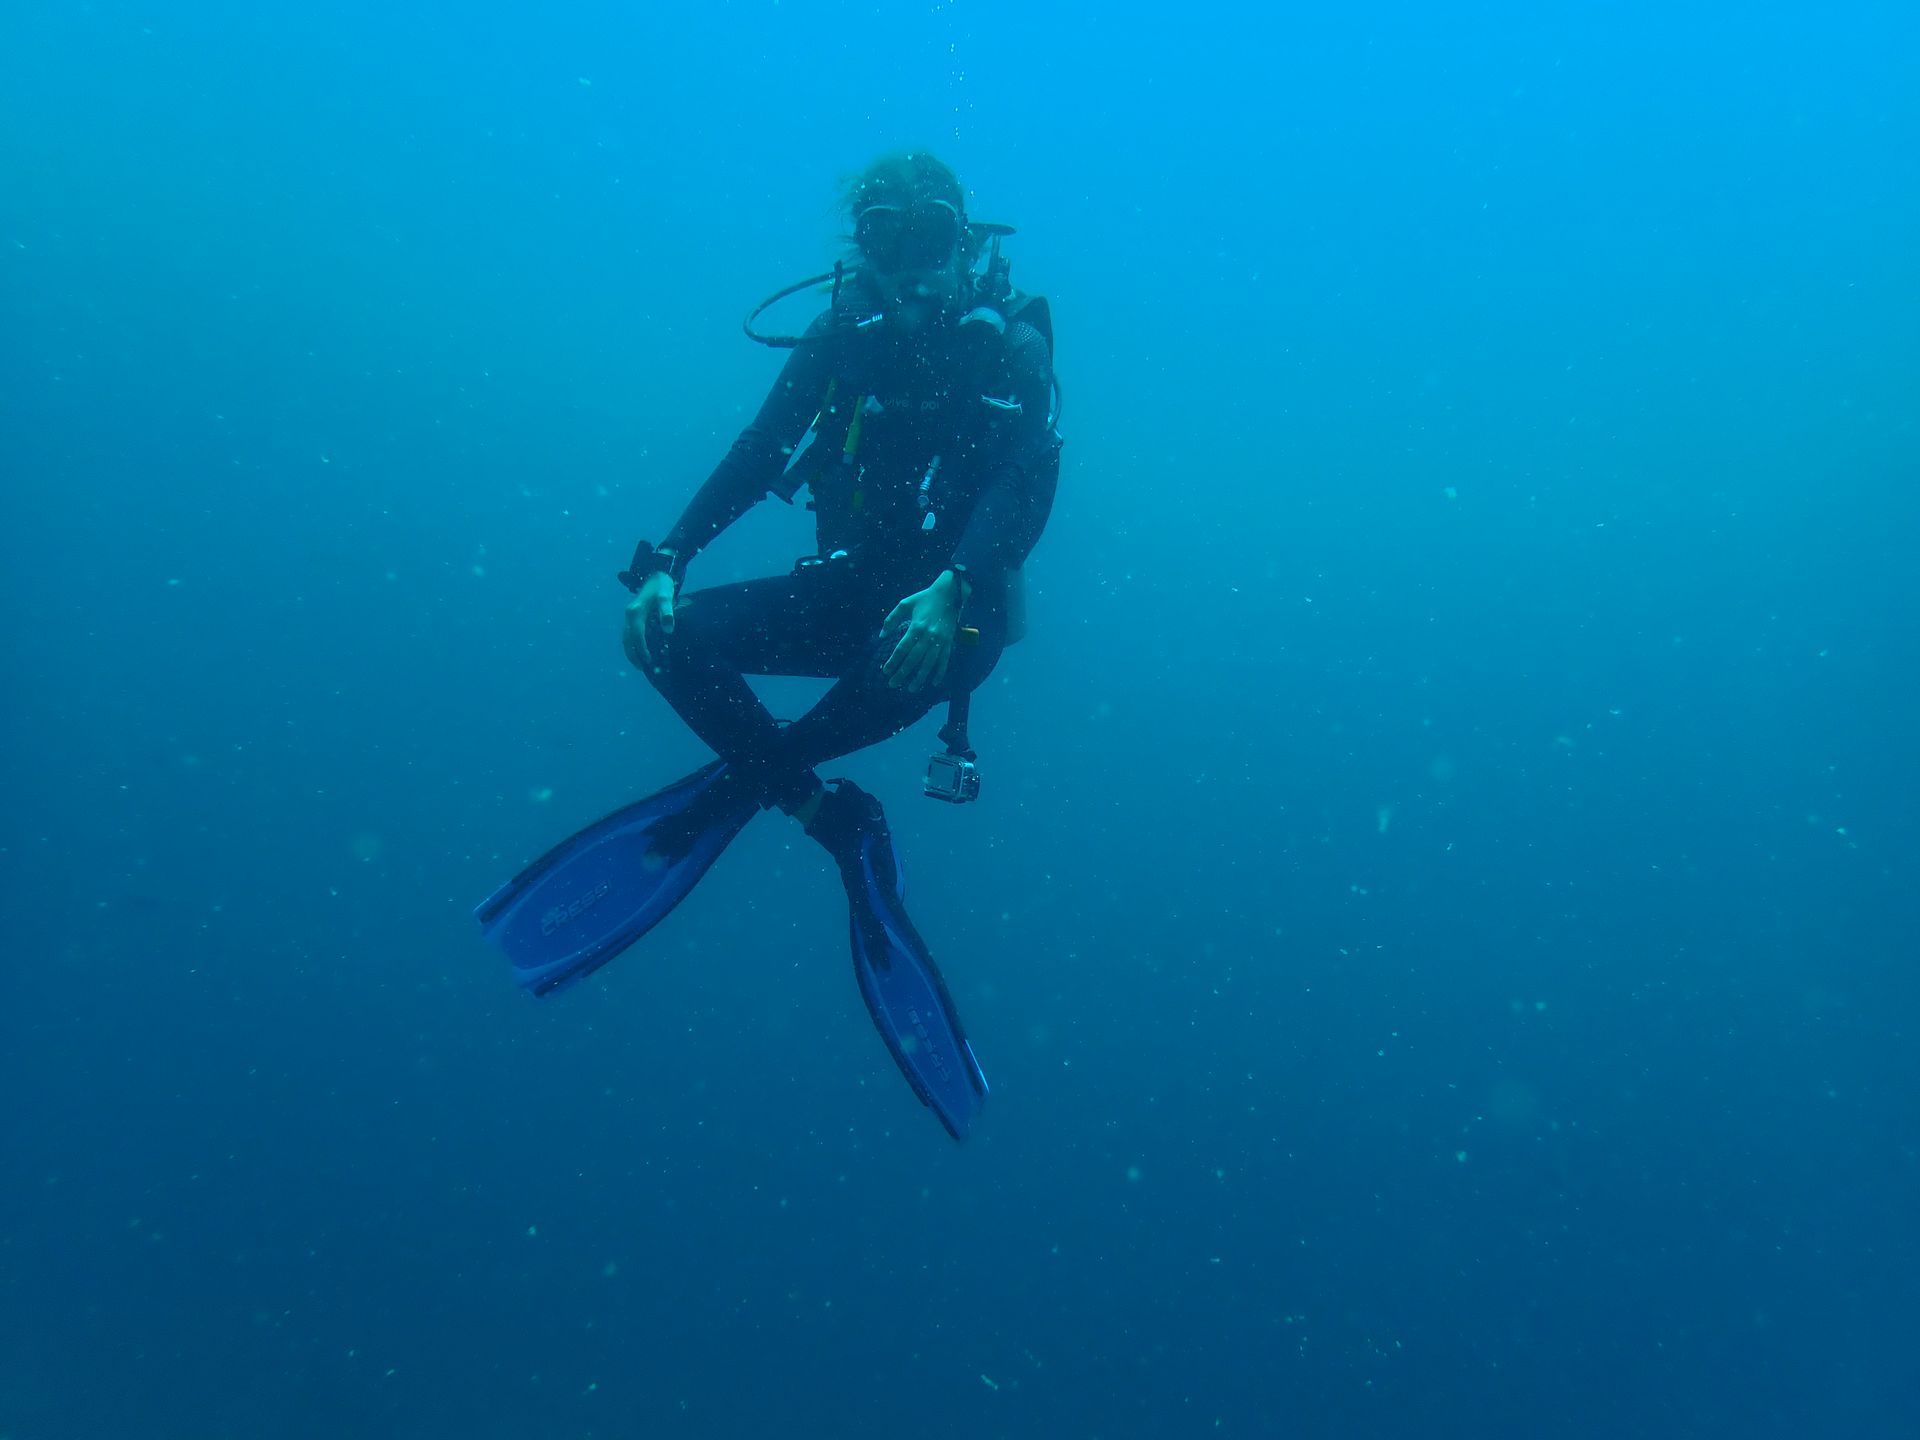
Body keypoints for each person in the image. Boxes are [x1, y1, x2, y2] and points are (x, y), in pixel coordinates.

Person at [475, 153, 1061, 1140]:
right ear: (859, 247)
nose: (912, 265)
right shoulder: (842, 338)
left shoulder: (1007, 348)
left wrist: (952, 583)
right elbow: (758, 451)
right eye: (887, 239)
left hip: (951, 622)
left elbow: (1022, 486)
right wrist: (666, 559)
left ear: (965, 247)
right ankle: (818, 809)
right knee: (666, 637)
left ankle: (780, 783)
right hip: (849, 593)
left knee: (920, 649)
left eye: (931, 242)